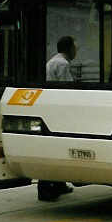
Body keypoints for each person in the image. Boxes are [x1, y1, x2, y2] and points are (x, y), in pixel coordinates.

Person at [41, 36, 77, 200]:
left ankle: (58, 183)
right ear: (68, 48)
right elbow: (67, 88)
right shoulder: (63, 64)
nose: (76, 50)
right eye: (74, 47)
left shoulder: (52, 61)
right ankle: (48, 186)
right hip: (60, 109)